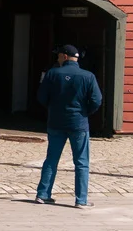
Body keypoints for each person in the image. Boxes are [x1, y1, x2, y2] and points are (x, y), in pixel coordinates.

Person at [35, 44, 103, 207]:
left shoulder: (52, 74)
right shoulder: (88, 76)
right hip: (78, 122)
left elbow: (41, 96)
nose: (57, 58)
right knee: (81, 162)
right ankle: (81, 200)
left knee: (51, 159)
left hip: (56, 122)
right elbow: (97, 100)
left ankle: (43, 194)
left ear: (65, 56)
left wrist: (53, 108)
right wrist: (85, 112)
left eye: (58, 56)